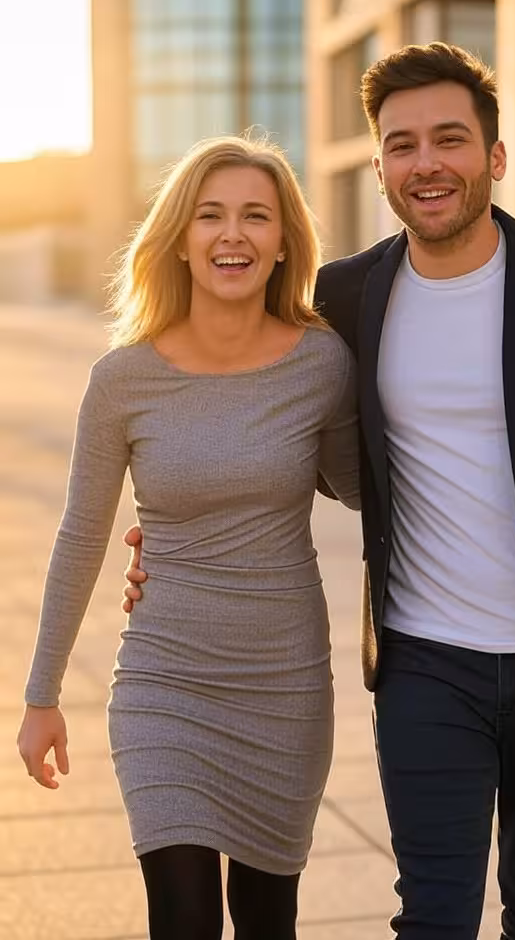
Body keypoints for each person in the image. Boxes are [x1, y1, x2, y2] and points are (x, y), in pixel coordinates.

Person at [124, 43, 515, 940]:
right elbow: (261, 420)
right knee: (432, 915)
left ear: (494, 157)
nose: (426, 163)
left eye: (449, 139)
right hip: (425, 662)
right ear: (380, 168)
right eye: (402, 145)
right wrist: (174, 538)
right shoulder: (347, 296)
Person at [17, 134, 360, 940]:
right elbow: (81, 534)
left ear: (284, 243)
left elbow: (359, 489)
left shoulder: (323, 363)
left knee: (268, 921)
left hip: (285, 686)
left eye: (254, 217)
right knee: (184, 917)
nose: (231, 234)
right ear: (178, 237)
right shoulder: (123, 379)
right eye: (209, 215)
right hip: (164, 684)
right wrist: (42, 696)